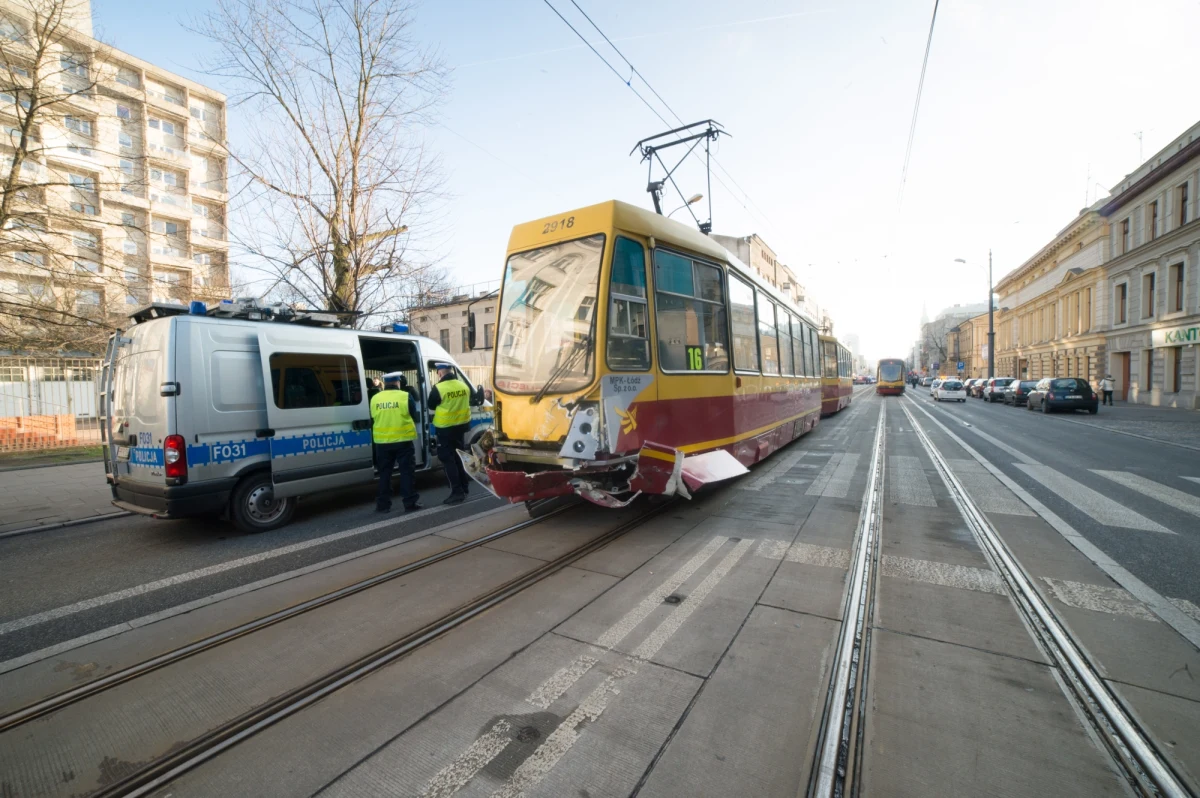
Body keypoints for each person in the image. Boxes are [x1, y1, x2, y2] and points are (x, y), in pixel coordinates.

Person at [427, 362, 482, 504]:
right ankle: (464, 487)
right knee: (458, 456)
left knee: (447, 459)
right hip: (461, 427)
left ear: (439, 373)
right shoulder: (463, 386)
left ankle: (457, 492)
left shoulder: (438, 388)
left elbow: (431, 405)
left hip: (445, 428)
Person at [370, 372, 421, 513]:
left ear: (385, 384)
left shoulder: (375, 398)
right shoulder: (404, 396)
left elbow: (374, 416)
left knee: (384, 474)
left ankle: (383, 505)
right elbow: (413, 414)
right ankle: (409, 503)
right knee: (406, 472)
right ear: (398, 382)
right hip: (402, 441)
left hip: (382, 442)